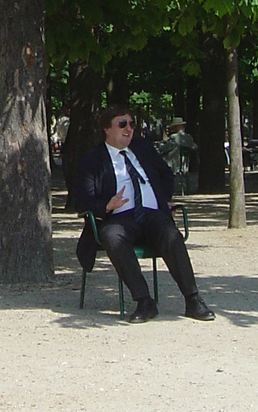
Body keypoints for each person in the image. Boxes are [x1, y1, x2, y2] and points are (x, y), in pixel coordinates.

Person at [73, 103, 214, 322]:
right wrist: (106, 205)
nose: (129, 129)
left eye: (131, 124)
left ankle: (193, 300)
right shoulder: (92, 160)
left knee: (171, 234)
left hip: (150, 214)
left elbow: (166, 175)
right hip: (118, 218)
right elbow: (82, 200)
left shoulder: (143, 149)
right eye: (122, 124)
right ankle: (144, 301)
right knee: (111, 236)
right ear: (106, 129)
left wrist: (162, 199)